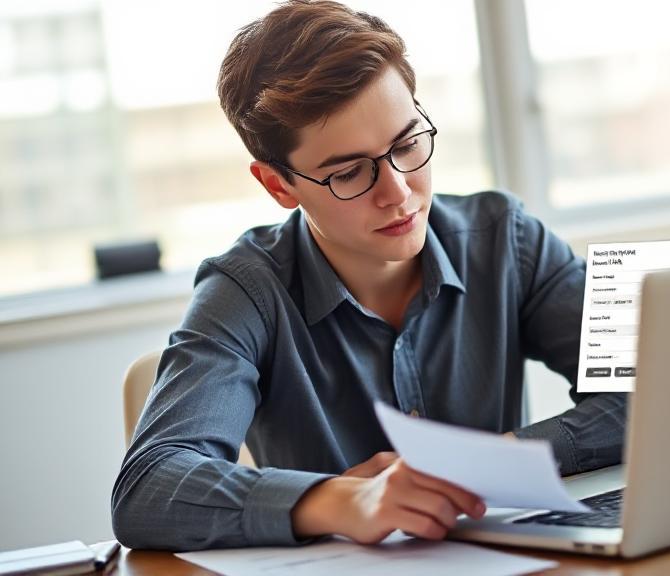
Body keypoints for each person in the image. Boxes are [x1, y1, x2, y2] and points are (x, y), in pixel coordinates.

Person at [111, 0, 626, 551]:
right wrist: (341, 499)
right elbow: (148, 486)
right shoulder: (244, 291)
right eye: (350, 172)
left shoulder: (509, 238)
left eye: (407, 143)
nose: (398, 192)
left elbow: (648, 393)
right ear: (279, 186)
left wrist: (485, 465)